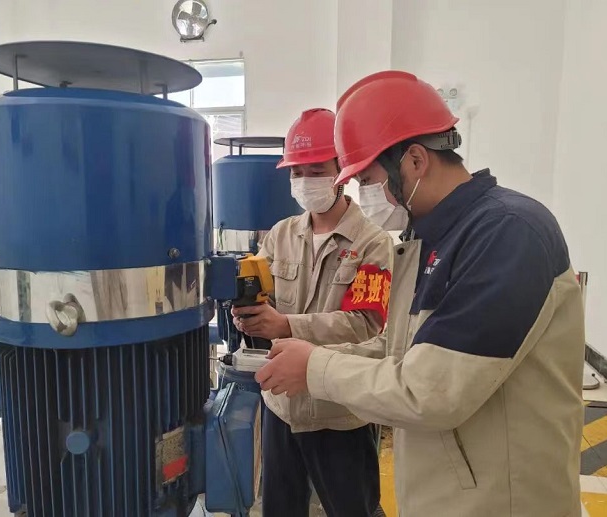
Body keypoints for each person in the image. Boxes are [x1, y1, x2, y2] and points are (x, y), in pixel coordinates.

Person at [255, 72, 585, 517]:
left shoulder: (507, 233)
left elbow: (430, 391)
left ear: (414, 160)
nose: (365, 193)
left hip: (499, 502)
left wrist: (315, 366)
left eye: (367, 179)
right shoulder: (427, 239)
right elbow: (402, 352)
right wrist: (308, 356)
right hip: (446, 493)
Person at [231, 108, 392, 517]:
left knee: (352, 508)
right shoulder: (281, 234)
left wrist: (286, 325)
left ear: (342, 173)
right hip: (281, 407)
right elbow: (262, 298)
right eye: (297, 172)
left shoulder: (372, 244)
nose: (305, 182)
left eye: (316, 171)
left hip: (337, 411)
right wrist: (249, 317)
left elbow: (367, 325)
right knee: (280, 508)